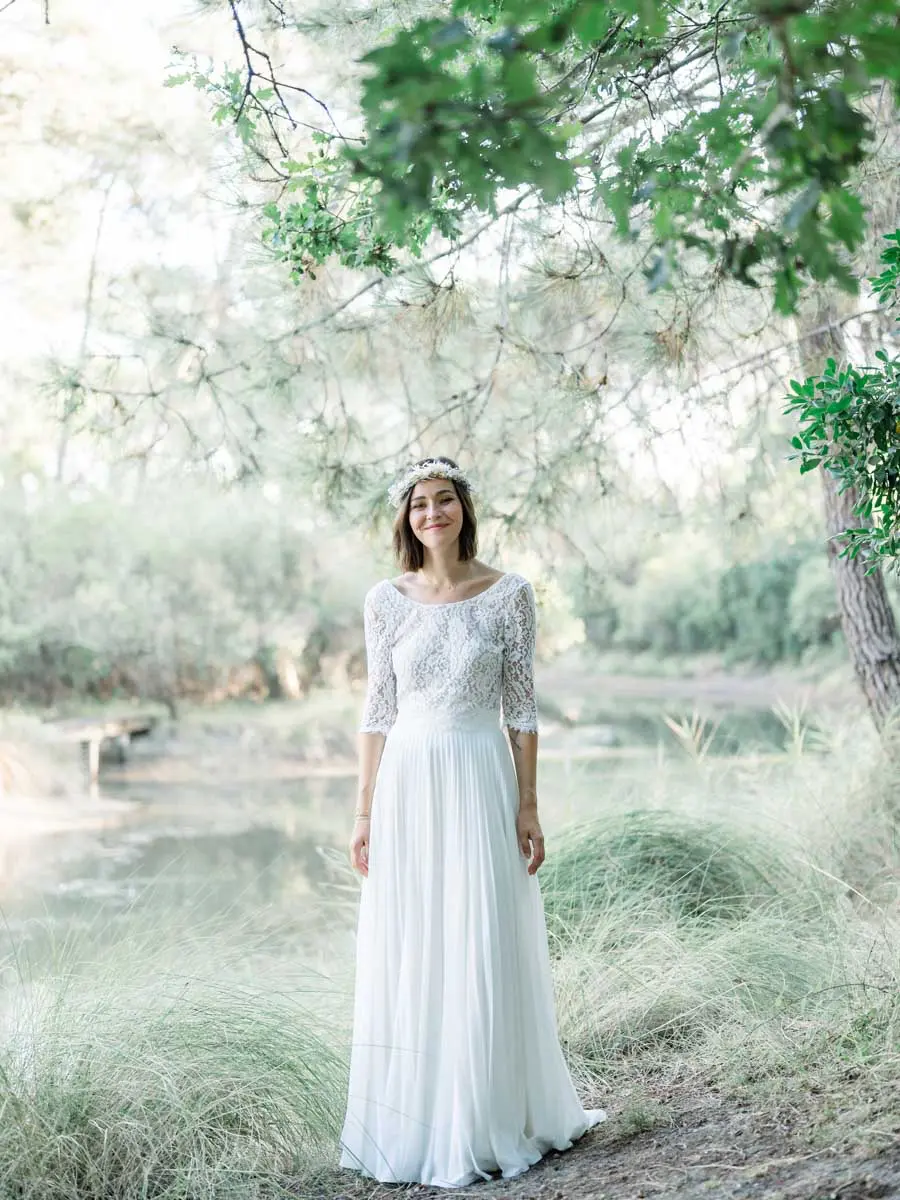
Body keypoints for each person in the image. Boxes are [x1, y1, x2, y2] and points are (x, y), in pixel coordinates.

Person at [338, 456, 605, 1189]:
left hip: (481, 772)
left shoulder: (510, 594)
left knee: (481, 930)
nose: (433, 513)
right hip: (409, 783)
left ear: (464, 509)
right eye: (420, 504)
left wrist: (529, 803)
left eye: (444, 500)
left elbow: (521, 709)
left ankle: (488, 1112)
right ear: (407, 519)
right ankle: (413, 1119)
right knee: (416, 935)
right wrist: (363, 812)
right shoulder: (384, 601)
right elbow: (377, 712)